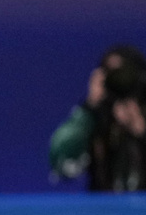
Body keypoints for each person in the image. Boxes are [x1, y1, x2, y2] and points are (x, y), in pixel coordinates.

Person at [50, 45, 146, 192]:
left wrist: (141, 133)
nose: (120, 80)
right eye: (112, 74)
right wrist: (89, 108)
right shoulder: (94, 118)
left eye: (124, 73)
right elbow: (62, 164)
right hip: (104, 206)